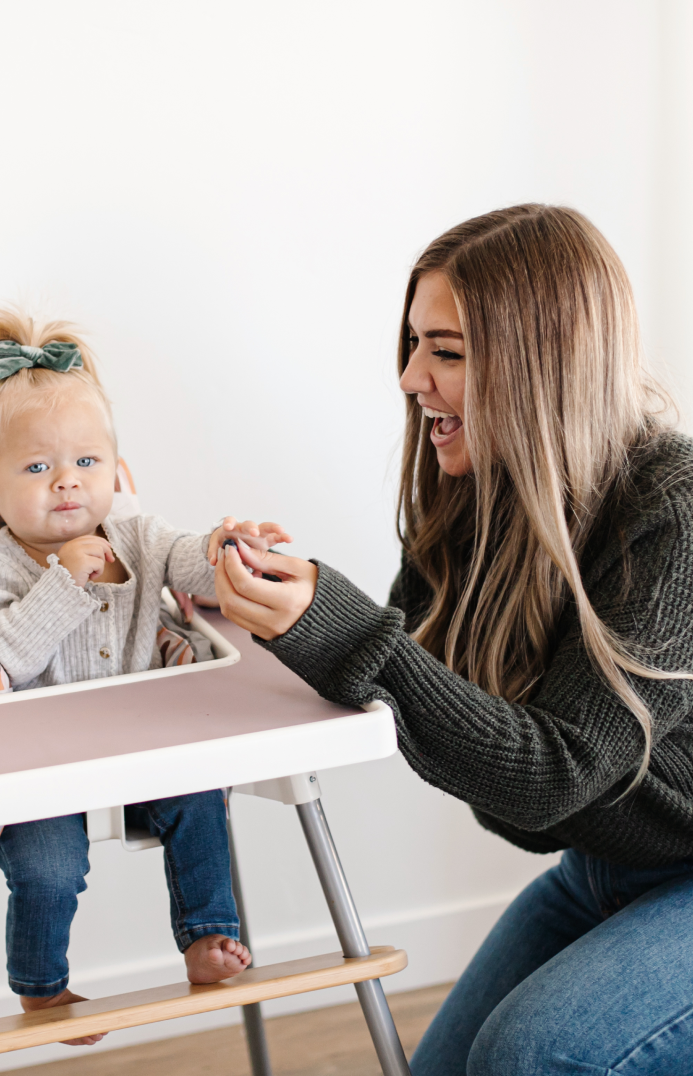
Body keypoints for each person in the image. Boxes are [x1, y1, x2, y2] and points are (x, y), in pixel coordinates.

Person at [212, 205, 693, 1075]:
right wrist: (264, 611)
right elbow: (410, 686)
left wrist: (342, 626)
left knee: (530, 1054)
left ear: (541, 361)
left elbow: (554, 774)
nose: (408, 377)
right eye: (411, 345)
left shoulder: (673, 511)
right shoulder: (474, 504)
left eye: (446, 351)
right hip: (606, 869)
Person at [0, 312, 290, 1046]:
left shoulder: (135, 533)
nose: (68, 483)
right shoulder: (4, 565)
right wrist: (59, 586)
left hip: (141, 752)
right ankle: (42, 989)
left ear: (114, 467)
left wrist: (231, 549)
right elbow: (9, 659)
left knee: (200, 796)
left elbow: (190, 562)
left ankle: (206, 937)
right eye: (37, 469)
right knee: (46, 871)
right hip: (43, 773)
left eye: (88, 463)